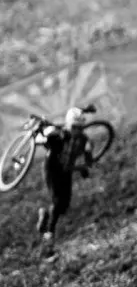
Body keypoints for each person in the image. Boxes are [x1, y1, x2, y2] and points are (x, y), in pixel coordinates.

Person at [35, 105, 97, 253]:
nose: (78, 131)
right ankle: (50, 232)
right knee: (57, 200)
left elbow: (87, 158)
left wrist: (84, 167)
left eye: (80, 128)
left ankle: (45, 214)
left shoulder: (84, 140)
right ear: (69, 124)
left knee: (64, 205)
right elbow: (41, 140)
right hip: (52, 168)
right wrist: (46, 135)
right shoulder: (60, 134)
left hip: (66, 171)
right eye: (75, 127)